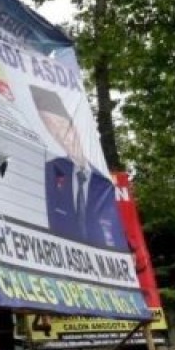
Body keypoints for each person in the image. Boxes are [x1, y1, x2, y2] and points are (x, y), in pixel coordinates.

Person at [29, 85, 124, 249]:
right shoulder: (51, 173)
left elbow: (120, 228)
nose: (62, 137)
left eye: (62, 126)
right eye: (53, 130)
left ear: (75, 126)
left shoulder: (105, 181)